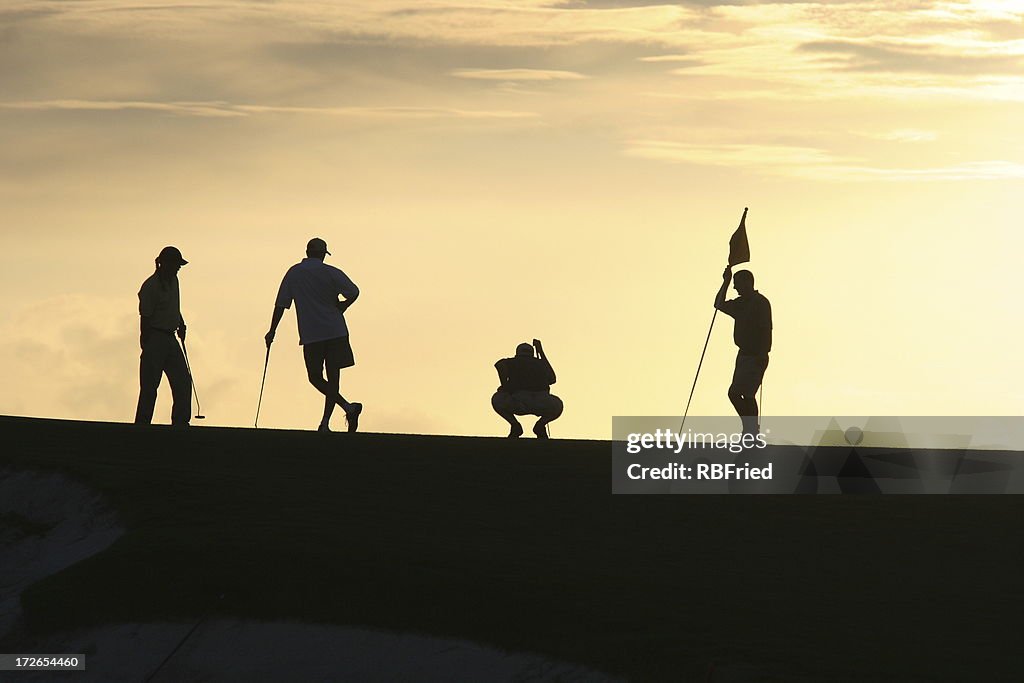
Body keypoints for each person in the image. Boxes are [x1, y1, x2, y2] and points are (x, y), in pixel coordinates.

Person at [265, 237, 362, 432]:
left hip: (311, 334)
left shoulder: (294, 273)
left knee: (315, 377)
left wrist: (272, 330)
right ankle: (340, 412)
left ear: (307, 252)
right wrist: (343, 306)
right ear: (322, 254)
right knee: (333, 378)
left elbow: (281, 304)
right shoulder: (331, 272)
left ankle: (331, 419)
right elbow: (354, 291)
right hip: (335, 330)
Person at [135, 246, 192, 426]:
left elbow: (174, 307)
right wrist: (146, 343)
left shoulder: (174, 280)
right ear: (164, 264)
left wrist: (180, 323)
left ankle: (180, 423)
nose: (178, 268)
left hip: (170, 337)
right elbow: (145, 317)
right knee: (150, 387)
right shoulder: (150, 286)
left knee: (183, 382)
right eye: (176, 264)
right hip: (156, 337)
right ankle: (142, 425)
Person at [714, 266, 772, 436]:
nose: (734, 288)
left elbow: (766, 329)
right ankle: (750, 429)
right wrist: (725, 281)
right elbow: (718, 304)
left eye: (736, 283)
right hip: (743, 355)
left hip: (755, 356)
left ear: (747, 282)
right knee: (738, 394)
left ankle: (751, 430)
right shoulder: (740, 304)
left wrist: (762, 355)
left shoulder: (760, 303)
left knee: (745, 394)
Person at [492, 339, 563, 439]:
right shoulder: (540, 363)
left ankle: (515, 424)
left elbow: (499, 365)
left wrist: (505, 385)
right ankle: (540, 425)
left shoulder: (513, 362)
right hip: (540, 401)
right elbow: (552, 379)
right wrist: (541, 352)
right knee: (557, 404)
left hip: (519, 400)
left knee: (497, 399)